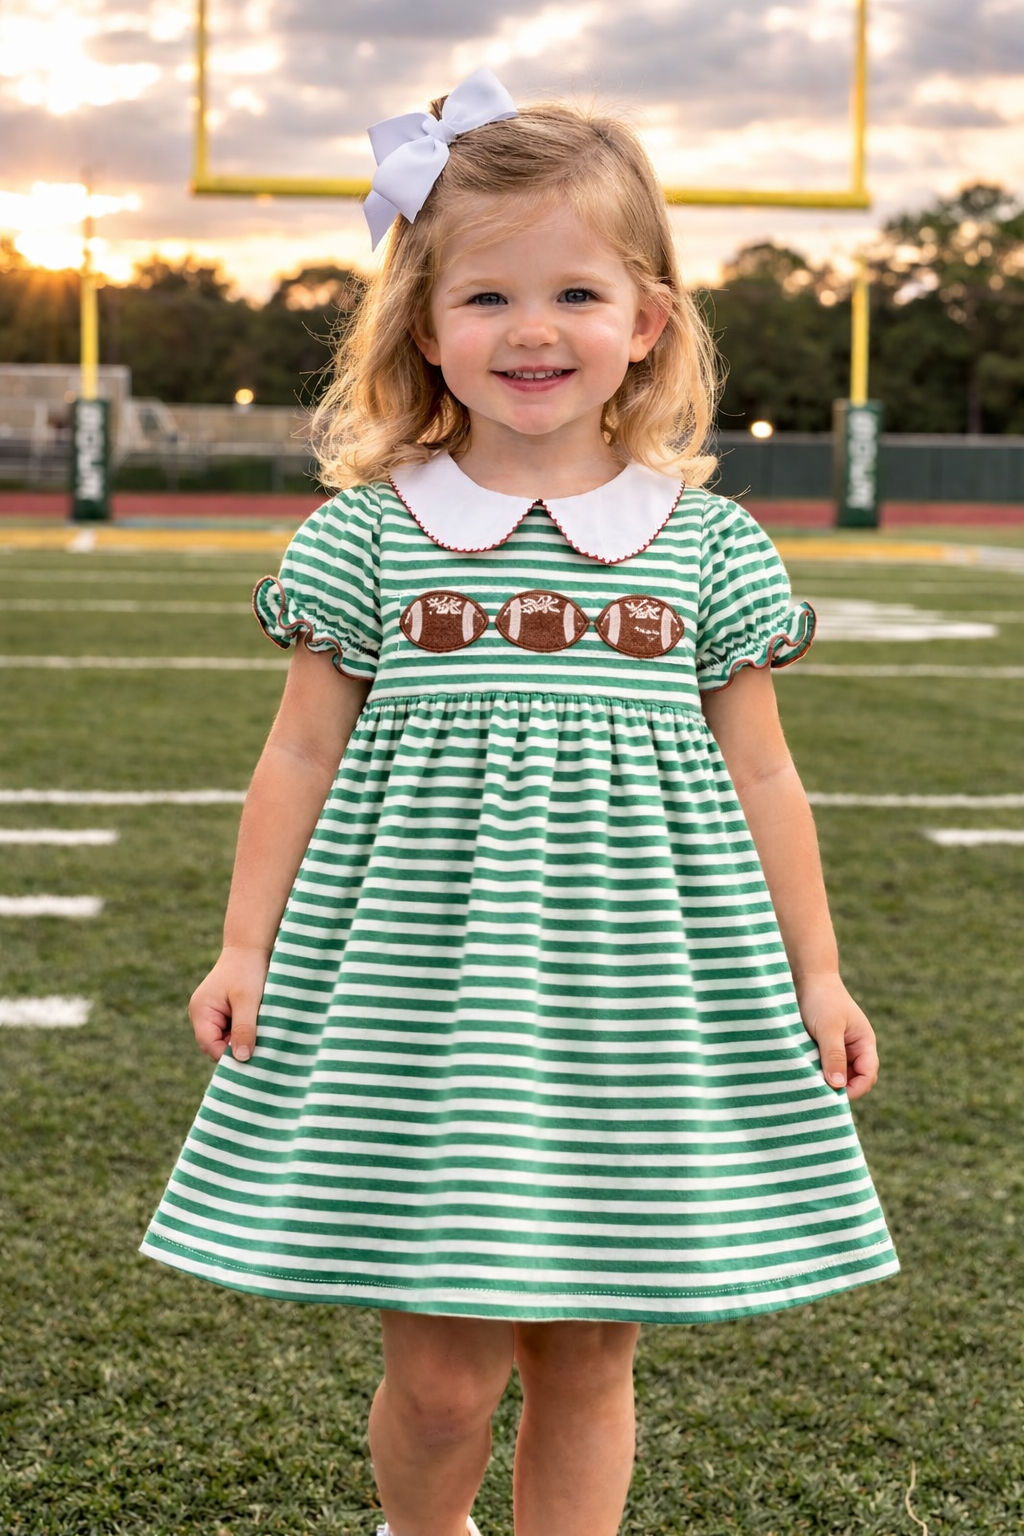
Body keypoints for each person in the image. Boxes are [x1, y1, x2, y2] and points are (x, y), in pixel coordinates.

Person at [142, 67, 898, 1536]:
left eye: (576, 294)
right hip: (426, 1005)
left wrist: (818, 973)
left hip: (629, 1003)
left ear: (648, 324)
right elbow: (295, 756)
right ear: (424, 327)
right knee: (438, 1380)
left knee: (589, 1358)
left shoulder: (708, 548)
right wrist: (246, 946)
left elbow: (767, 775)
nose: (533, 330)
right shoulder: (369, 536)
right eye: (487, 298)